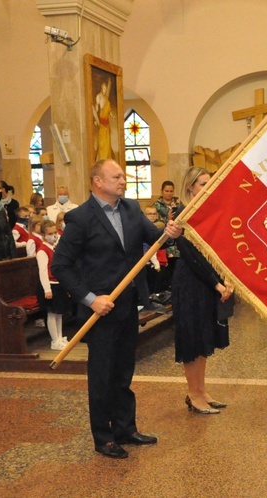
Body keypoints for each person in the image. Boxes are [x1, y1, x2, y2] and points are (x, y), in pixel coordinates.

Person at [52, 158, 182, 459]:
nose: (123, 181)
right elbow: (61, 265)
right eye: (117, 176)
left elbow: (156, 239)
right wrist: (89, 297)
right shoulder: (80, 218)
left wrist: (170, 231)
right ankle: (104, 436)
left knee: (124, 371)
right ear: (98, 181)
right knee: (102, 374)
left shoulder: (132, 209)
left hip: (127, 304)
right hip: (99, 310)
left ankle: (125, 428)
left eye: (123, 176)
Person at [172, 167, 233, 415]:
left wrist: (226, 279)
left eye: (209, 184)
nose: (207, 188)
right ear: (190, 187)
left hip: (209, 282)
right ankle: (193, 394)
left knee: (204, 338)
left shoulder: (210, 213)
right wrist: (216, 283)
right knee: (192, 340)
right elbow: (192, 255)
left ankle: (202, 390)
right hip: (190, 283)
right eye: (202, 184)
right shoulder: (182, 214)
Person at [36, 220, 70, 350]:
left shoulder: (55, 247)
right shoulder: (42, 251)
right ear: (44, 235)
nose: (54, 235)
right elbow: (43, 272)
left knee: (59, 313)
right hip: (49, 285)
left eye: (55, 232)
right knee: (51, 314)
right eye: (50, 233)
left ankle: (60, 337)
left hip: (58, 283)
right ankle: (55, 340)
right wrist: (47, 289)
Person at [92, 78, 114, 161]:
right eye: (104, 89)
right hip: (101, 120)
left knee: (107, 142)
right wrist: (95, 118)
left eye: (106, 89)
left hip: (107, 123)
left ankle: (107, 158)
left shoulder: (106, 99)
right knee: (101, 142)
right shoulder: (99, 97)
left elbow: (109, 110)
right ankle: (101, 157)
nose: (105, 90)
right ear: (101, 88)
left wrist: (112, 116)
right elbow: (97, 107)